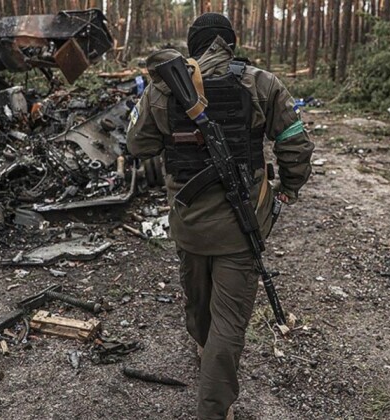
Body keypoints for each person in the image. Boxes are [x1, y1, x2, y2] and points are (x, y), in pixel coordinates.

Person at [126, 12, 314, 420]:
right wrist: (289, 189)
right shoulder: (260, 83)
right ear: (232, 42)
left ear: (193, 45)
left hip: (189, 224)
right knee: (228, 324)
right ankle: (215, 410)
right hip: (240, 232)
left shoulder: (161, 89)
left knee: (198, 303)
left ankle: (203, 352)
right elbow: (296, 143)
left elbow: (137, 145)